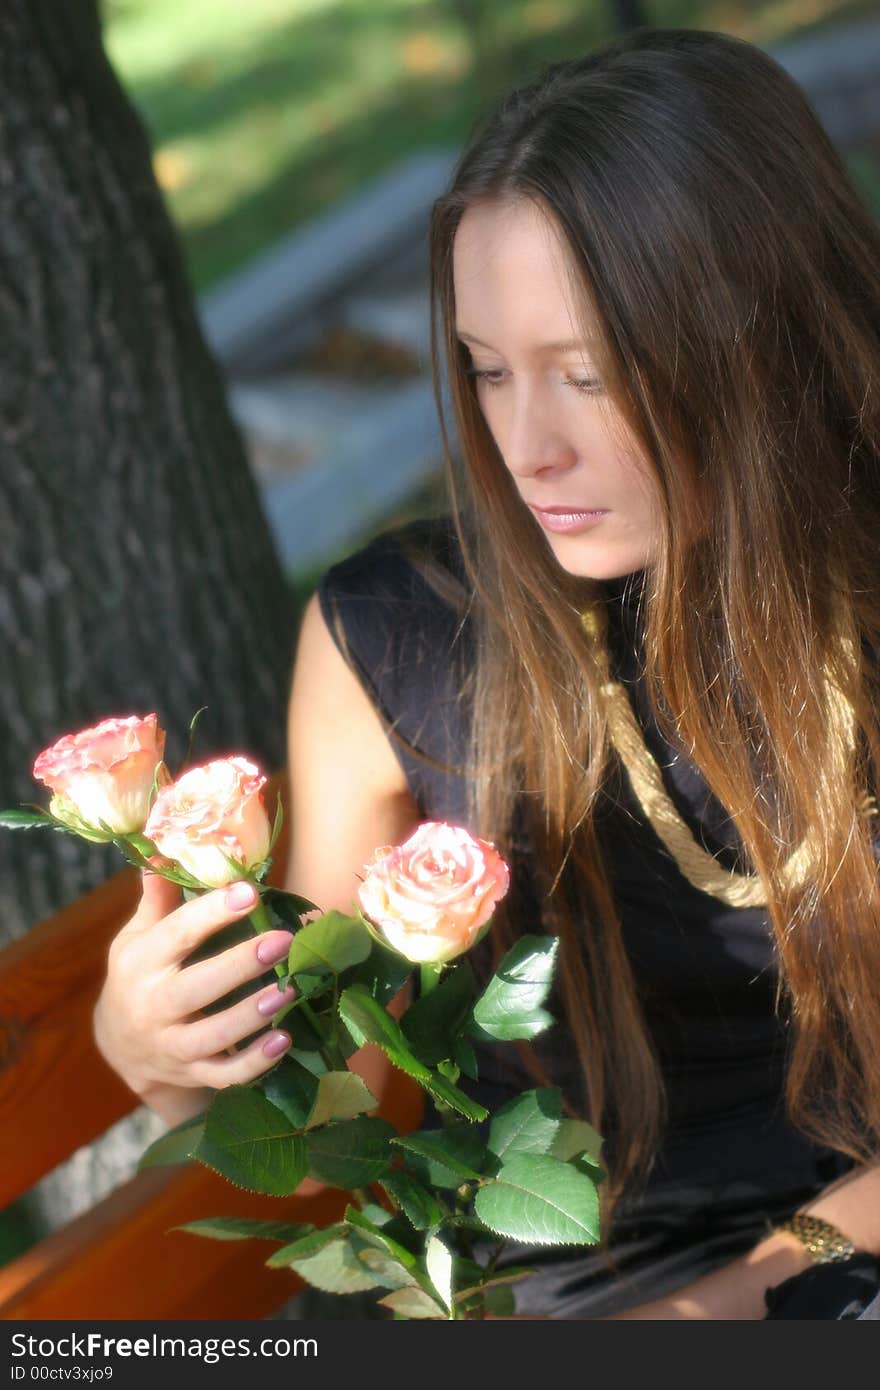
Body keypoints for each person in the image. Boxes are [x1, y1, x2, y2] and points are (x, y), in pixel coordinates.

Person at [92, 27, 880, 1318]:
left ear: (760, 336)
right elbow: (321, 1051)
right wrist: (162, 1053)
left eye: (589, 374)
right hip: (573, 1264)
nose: (527, 447)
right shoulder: (403, 633)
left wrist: (743, 1295)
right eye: (488, 369)